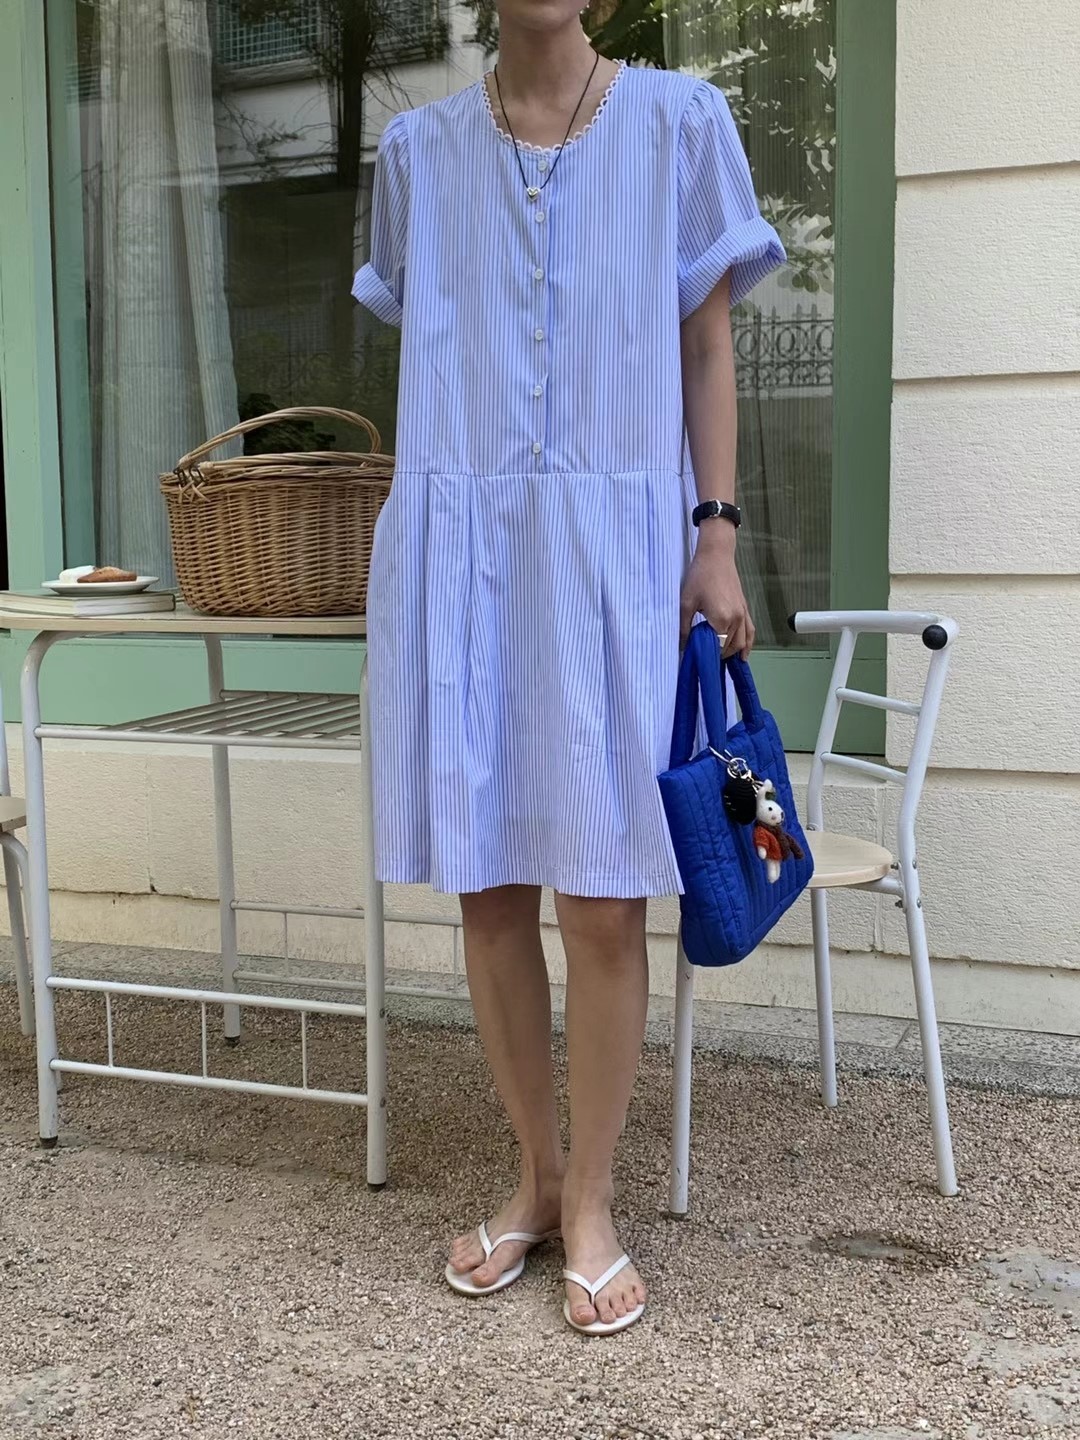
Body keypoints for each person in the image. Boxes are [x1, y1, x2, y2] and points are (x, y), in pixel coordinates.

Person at [352, 0, 784, 1335]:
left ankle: (594, 1200)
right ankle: (536, 1181)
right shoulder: (416, 154)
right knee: (488, 886)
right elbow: (436, 349)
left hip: (616, 557)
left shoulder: (678, 124)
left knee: (602, 899)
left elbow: (705, 345)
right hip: (470, 557)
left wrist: (716, 536)